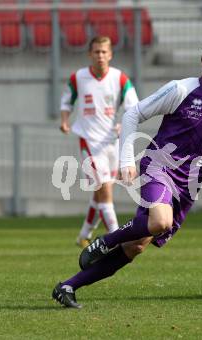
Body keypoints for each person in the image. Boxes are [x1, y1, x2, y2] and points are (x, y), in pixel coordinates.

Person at [52, 39, 202, 308]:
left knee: (136, 246)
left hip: (190, 183)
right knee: (160, 222)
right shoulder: (180, 89)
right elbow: (133, 114)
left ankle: (68, 286)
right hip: (159, 167)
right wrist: (128, 160)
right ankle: (105, 240)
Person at [60, 36, 139, 248]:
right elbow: (66, 100)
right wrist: (65, 120)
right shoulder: (78, 77)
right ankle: (117, 238)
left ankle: (83, 236)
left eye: (104, 52)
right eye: (96, 52)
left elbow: (134, 106)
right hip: (89, 140)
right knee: (105, 190)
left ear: (110, 54)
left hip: (111, 143)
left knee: (99, 192)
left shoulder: (120, 78)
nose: (100, 56)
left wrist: (125, 123)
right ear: (90, 54)